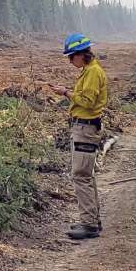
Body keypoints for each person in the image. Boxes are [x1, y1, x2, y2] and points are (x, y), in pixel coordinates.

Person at [51, 32, 108, 240]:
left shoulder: (93, 72)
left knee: (81, 176)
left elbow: (88, 101)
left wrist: (66, 93)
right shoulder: (89, 71)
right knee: (86, 176)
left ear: (81, 54)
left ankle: (89, 224)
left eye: (71, 56)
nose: (69, 60)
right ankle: (92, 220)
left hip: (86, 129)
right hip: (84, 128)